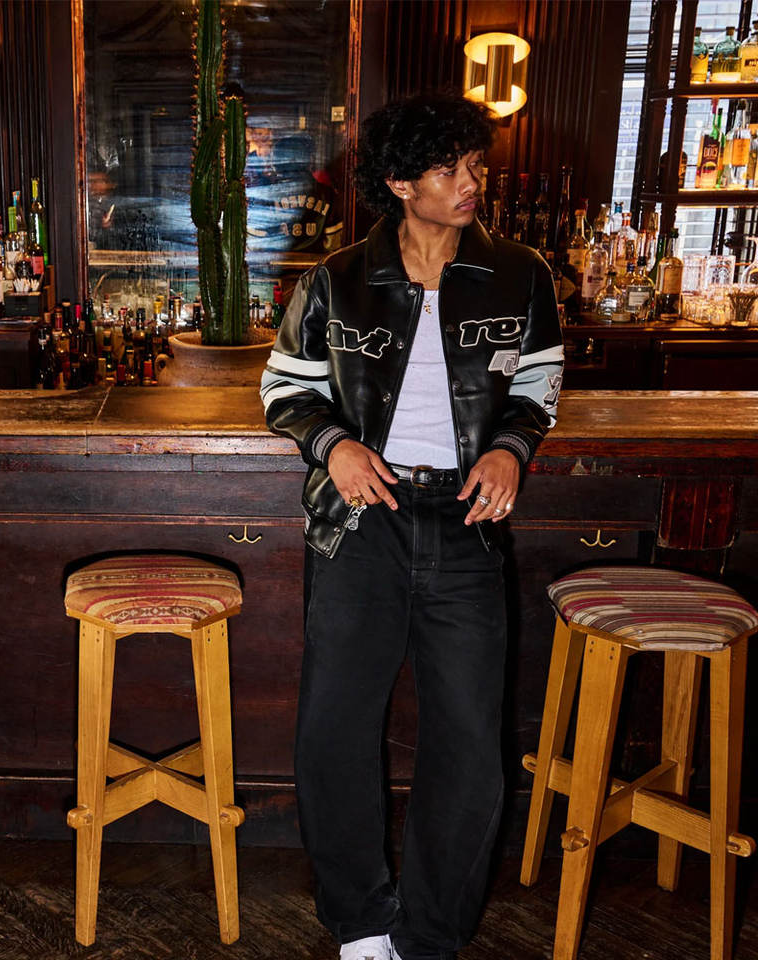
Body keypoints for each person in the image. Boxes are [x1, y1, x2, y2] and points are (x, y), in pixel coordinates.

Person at [259, 91, 564, 960]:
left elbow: (539, 384)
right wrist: (335, 448)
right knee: (336, 727)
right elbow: (283, 389)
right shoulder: (337, 279)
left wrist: (509, 449)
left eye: (475, 165)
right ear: (399, 182)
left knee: (469, 738)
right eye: (448, 168)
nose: (471, 182)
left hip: (466, 523)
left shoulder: (522, 273)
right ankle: (360, 925)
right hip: (362, 522)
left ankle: (431, 935)